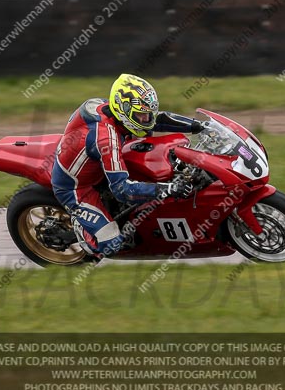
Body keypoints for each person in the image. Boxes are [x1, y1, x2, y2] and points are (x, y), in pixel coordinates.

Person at [51, 73, 203, 259]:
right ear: (123, 110)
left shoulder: (116, 111)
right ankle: (80, 226)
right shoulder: (106, 139)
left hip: (95, 162)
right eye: (142, 116)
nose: (147, 120)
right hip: (77, 188)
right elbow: (123, 191)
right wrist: (169, 189)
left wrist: (198, 126)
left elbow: (158, 120)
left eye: (148, 114)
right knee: (111, 245)